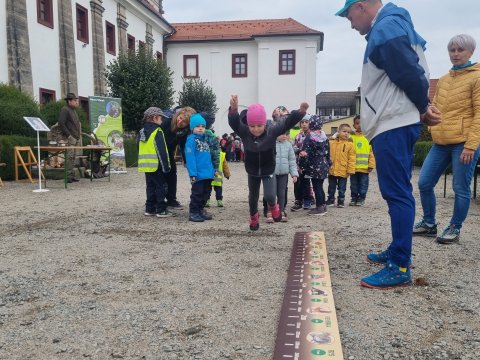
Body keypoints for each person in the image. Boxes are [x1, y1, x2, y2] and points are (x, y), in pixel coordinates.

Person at [336, 0, 441, 289]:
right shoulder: (392, 25)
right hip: (393, 121)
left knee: (396, 193)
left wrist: (422, 105)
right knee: (397, 191)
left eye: (349, 16)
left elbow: (408, 71)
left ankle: (400, 265)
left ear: (361, 6)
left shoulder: (386, 27)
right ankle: (397, 251)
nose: (351, 23)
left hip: (392, 122)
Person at [414, 34, 480, 244]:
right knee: (424, 183)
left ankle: (455, 227)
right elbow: (437, 108)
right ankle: (429, 223)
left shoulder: (477, 77)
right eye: (452, 50)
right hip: (441, 142)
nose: (455, 54)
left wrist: (471, 145)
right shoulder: (443, 80)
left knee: (460, 187)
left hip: (464, 143)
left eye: (460, 50)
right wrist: (428, 112)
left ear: (471, 52)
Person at [228, 95, 308, 230]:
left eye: (259, 125)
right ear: (248, 124)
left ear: (264, 123)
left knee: (270, 195)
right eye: (252, 126)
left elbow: (287, 122)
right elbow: (234, 123)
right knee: (253, 196)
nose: (256, 129)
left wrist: (300, 112)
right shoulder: (244, 132)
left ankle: (274, 207)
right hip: (252, 170)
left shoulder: (272, 132)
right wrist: (234, 110)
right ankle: (254, 217)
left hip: (268, 168)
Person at [137, 107, 174, 218]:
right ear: (154, 118)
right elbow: (161, 150)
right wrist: (166, 167)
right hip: (157, 165)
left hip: (146, 165)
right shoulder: (158, 131)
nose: (162, 120)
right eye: (161, 118)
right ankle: (161, 209)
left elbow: (137, 146)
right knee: (161, 186)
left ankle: (150, 209)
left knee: (150, 187)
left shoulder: (142, 131)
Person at [159, 106, 197, 210]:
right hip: (158, 153)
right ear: (177, 115)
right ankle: (157, 201)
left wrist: (187, 162)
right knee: (159, 177)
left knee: (172, 174)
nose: (180, 122)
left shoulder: (185, 132)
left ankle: (171, 200)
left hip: (169, 153)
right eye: (180, 118)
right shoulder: (167, 122)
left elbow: (184, 147)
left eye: (184, 122)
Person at [185, 114, 217, 222]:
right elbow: (190, 158)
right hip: (198, 174)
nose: (200, 128)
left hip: (208, 174)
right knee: (197, 194)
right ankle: (193, 212)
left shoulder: (205, 140)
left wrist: (213, 170)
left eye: (203, 126)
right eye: (198, 126)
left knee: (206, 193)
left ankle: (200, 210)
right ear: (192, 128)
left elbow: (208, 158)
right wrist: (192, 173)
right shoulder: (191, 141)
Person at [298, 115, 331, 216]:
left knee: (316, 186)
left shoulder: (310, 137)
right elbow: (328, 151)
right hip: (323, 163)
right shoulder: (324, 136)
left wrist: (302, 165)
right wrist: (329, 163)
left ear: (311, 124)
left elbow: (305, 152)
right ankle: (323, 206)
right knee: (320, 186)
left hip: (314, 165)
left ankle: (319, 207)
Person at [326, 123, 356, 208]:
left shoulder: (350, 144)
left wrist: (351, 170)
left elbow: (352, 158)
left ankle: (341, 200)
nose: (346, 133)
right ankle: (331, 199)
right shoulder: (331, 142)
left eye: (348, 132)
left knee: (342, 187)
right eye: (344, 131)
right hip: (332, 169)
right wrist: (332, 137)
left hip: (343, 170)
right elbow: (325, 145)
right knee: (331, 186)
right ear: (338, 132)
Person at [349, 115, 376, 206]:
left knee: (363, 184)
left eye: (362, 123)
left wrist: (371, 164)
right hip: (353, 168)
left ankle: (361, 198)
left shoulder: (368, 137)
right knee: (353, 184)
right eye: (357, 123)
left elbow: (371, 152)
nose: (359, 125)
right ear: (354, 125)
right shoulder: (351, 138)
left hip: (364, 168)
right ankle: (354, 198)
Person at [291, 114, 315, 211]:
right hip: (299, 164)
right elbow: (293, 146)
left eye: (306, 122)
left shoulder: (313, 135)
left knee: (307, 183)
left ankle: (308, 200)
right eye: (302, 122)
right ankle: (298, 200)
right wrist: (298, 151)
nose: (304, 124)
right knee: (297, 183)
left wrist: (307, 153)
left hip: (309, 164)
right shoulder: (298, 136)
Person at [275, 131, 299, 222]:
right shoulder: (270, 143)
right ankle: (270, 211)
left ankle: (281, 211)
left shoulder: (289, 145)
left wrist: (294, 174)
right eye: (282, 134)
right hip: (271, 173)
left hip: (283, 173)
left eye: (286, 134)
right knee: (271, 193)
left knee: (281, 193)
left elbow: (292, 160)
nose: (285, 136)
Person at [58, 92, 81, 183]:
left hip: (75, 138)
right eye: (75, 100)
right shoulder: (65, 109)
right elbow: (61, 123)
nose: (76, 102)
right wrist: (69, 136)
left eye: (76, 100)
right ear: (69, 101)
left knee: (73, 158)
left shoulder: (73, 110)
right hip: (70, 138)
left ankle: (71, 175)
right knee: (69, 157)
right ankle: (67, 176)